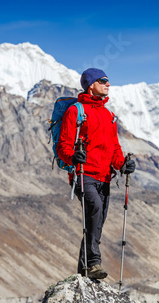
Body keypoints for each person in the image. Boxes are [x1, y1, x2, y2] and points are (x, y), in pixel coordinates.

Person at [57, 68, 136, 279]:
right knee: (95, 208)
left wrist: (122, 165)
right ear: (91, 85)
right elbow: (63, 145)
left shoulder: (108, 114)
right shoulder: (76, 111)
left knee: (97, 220)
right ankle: (93, 263)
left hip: (104, 176)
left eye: (108, 81)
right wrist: (73, 157)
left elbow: (114, 148)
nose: (108, 84)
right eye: (103, 81)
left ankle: (84, 271)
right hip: (84, 175)